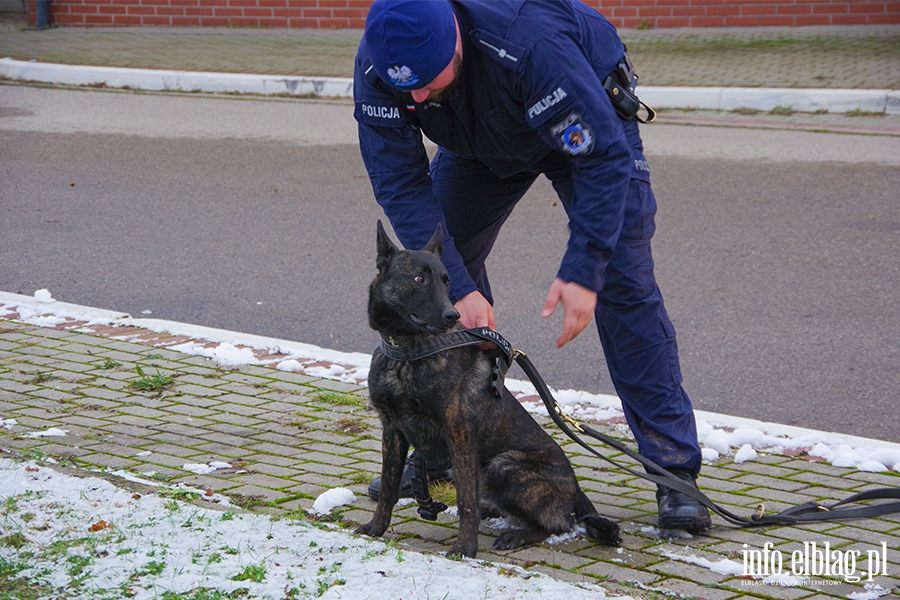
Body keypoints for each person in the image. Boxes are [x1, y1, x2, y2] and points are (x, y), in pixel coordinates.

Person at [354, 0, 711, 532]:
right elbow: (400, 184)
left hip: (582, 128)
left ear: (453, 40)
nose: (417, 98)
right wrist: (463, 286)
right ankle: (437, 457)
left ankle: (674, 472)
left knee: (623, 287)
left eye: (428, 82)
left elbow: (602, 158)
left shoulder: (529, 44)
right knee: (433, 283)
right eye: (405, 89)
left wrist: (585, 267)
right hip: (479, 144)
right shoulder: (381, 65)